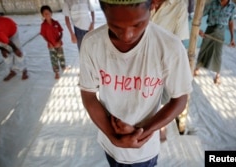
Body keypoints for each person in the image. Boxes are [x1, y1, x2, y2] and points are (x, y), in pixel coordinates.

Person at [79, 0, 193, 166]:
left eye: (138, 24)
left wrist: (143, 132)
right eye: (116, 26)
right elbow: (88, 95)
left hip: (145, 150)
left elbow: (180, 99)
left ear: (152, 6)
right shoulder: (92, 44)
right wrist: (113, 137)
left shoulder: (170, 47)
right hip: (111, 145)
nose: (127, 35)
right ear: (103, 12)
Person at [150, 0, 190, 136]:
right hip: (140, 56)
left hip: (163, 60)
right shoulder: (142, 3)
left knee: (163, 95)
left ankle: (161, 125)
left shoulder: (179, 7)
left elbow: (178, 43)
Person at [194, 0, 236, 85]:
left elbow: (231, 22)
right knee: (204, 50)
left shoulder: (232, 7)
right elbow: (200, 15)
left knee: (218, 54)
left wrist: (232, 38)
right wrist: (198, 29)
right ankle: (197, 69)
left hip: (220, 33)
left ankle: (217, 75)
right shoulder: (212, 3)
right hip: (210, 30)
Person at [0, 15, 28, 81]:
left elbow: (8, 42)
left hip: (11, 30)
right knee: (5, 55)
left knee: (18, 52)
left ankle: (24, 70)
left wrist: (15, 49)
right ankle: (12, 72)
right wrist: (2, 49)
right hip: (2, 33)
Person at [40, 5, 66, 79]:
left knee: (61, 56)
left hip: (59, 44)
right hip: (51, 46)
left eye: (48, 13)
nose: (47, 15)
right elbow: (43, 35)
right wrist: (49, 43)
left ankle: (63, 67)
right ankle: (56, 72)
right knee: (53, 59)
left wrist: (59, 41)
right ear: (43, 15)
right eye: (45, 14)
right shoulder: (43, 25)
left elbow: (61, 32)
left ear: (51, 13)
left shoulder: (56, 23)